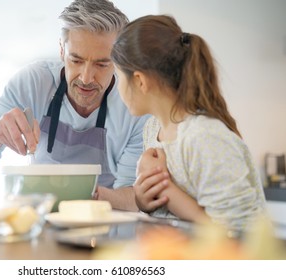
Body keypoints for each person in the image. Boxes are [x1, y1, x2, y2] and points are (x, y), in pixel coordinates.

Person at [0, 0, 149, 211]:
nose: (86, 78)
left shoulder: (137, 106)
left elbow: (134, 198)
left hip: (104, 222)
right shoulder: (32, 83)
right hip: (40, 217)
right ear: (61, 50)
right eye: (75, 60)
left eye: (101, 64)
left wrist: (80, 196)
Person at [111, 14, 266, 231]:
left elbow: (237, 232)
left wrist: (166, 191)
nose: (117, 89)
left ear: (139, 81)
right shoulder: (152, 129)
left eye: (118, 77)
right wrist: (143, 200)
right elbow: (163, 215)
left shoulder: (204, 137)